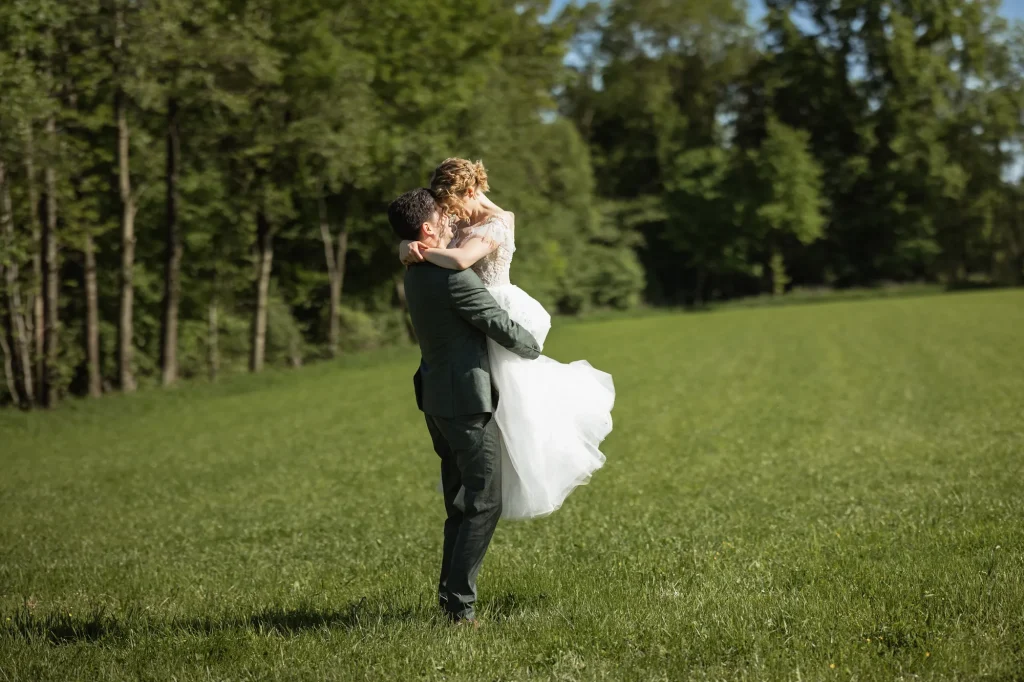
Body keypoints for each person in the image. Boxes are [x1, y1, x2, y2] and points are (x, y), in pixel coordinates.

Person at [400, 158, 615, 521]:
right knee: (481, 391)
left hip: (497, 308)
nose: (450, 212)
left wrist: (419, 250)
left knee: (513, 401)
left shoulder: (499, 221)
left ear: (471, 190)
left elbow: (461, 260)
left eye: (454, 202)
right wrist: (406, 243)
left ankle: (499, 482)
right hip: (468, 309)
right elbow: (427, 230)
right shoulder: (458, 215)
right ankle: (477, 480)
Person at [388, 187, 541, 625]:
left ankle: (451, 602)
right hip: (466, 403)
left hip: (436, 399)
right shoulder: (452, 277)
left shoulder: (414, 270)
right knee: (483, 502)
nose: (452, 219)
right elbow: (497, 323)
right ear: (427, 228)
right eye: (443, 216)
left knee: (460, 504)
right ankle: (459, 609)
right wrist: (534, 346)